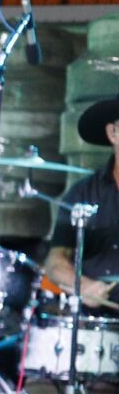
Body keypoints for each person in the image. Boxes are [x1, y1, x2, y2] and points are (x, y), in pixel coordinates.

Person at [41, 95, 119, 311]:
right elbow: (55, 262)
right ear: (113, 133)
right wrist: (83, 286)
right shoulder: (82, 193)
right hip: (94, 319)